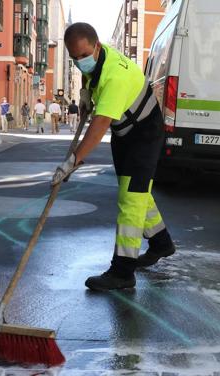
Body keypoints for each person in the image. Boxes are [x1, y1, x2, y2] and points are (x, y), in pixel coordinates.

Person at [52, 23, 175, 291]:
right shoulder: (97, 60)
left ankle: (122, 272)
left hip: (145, 132)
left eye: (83, 56)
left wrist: (72, 162)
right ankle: (161, 242)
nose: (79, 62)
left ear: (97, 46)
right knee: (136, 192)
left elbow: (99, 127)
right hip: (126, 132)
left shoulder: (114, 77)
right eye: (74, 58)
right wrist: (85, 92)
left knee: (131, 200)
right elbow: (90, 77)